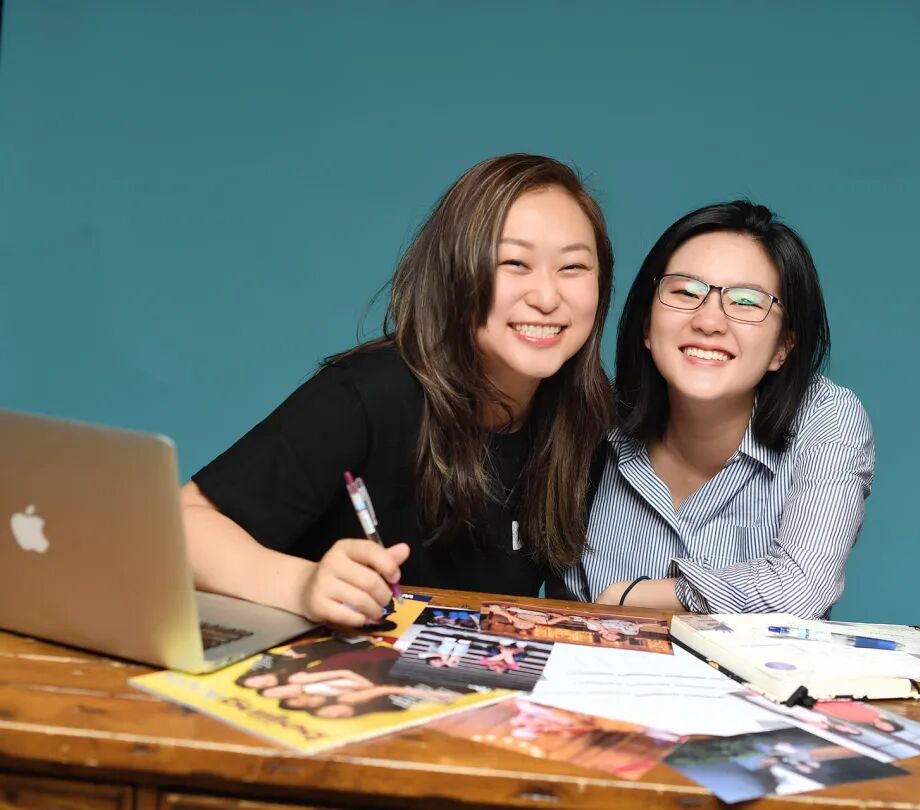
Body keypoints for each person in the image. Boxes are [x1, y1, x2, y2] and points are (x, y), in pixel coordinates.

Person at [180, 154, 614, 626]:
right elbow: (180, 525)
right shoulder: (371, 392)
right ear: (456, 273)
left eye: (573, 267)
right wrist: (301, 585)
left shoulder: (589, 419)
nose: (547, 298)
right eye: (514, 262)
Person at [565, 201, 873, 617]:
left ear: (782, 347)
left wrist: (635, 597)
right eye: (685, 292)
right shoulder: (592, 419)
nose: (709, 322)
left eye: (746, 302)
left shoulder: (826, 418)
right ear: (647, 325)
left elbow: (801, 588)